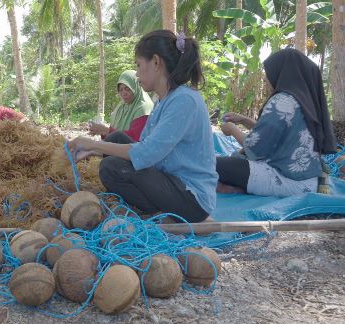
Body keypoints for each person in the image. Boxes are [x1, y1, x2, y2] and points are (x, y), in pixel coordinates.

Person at [68, 30, 217, 223]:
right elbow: (143, 145)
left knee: (111, 167)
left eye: (139, 65)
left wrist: (92, 145)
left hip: (192, 198)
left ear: (156, 62)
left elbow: (146, 153)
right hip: (170, 180)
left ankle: (156, 212)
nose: (137, 74)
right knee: (116, 138)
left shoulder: (184, 100)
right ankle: (155, 208)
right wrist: (90, 151)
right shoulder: (163, 100)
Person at [216, 48, 337, 197]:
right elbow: (280, 132)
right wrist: (244, 120)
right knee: (232, 161)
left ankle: (236, 188)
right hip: (310, 181)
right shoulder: (305, 101)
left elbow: (255, 149)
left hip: (287, 180)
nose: (267, 80)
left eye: (268, 74)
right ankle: (238, 187)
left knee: (213, 165)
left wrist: (232, 130)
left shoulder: (282, 101)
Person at [88, 70, 154, 142]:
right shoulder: (120, 107)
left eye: (127, 89)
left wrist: (106, 131)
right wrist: (101, 131)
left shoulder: (144, 108)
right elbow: (113, 134)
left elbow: (136, 139)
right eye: (120, 90)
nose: (123, 93)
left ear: (136, 87)